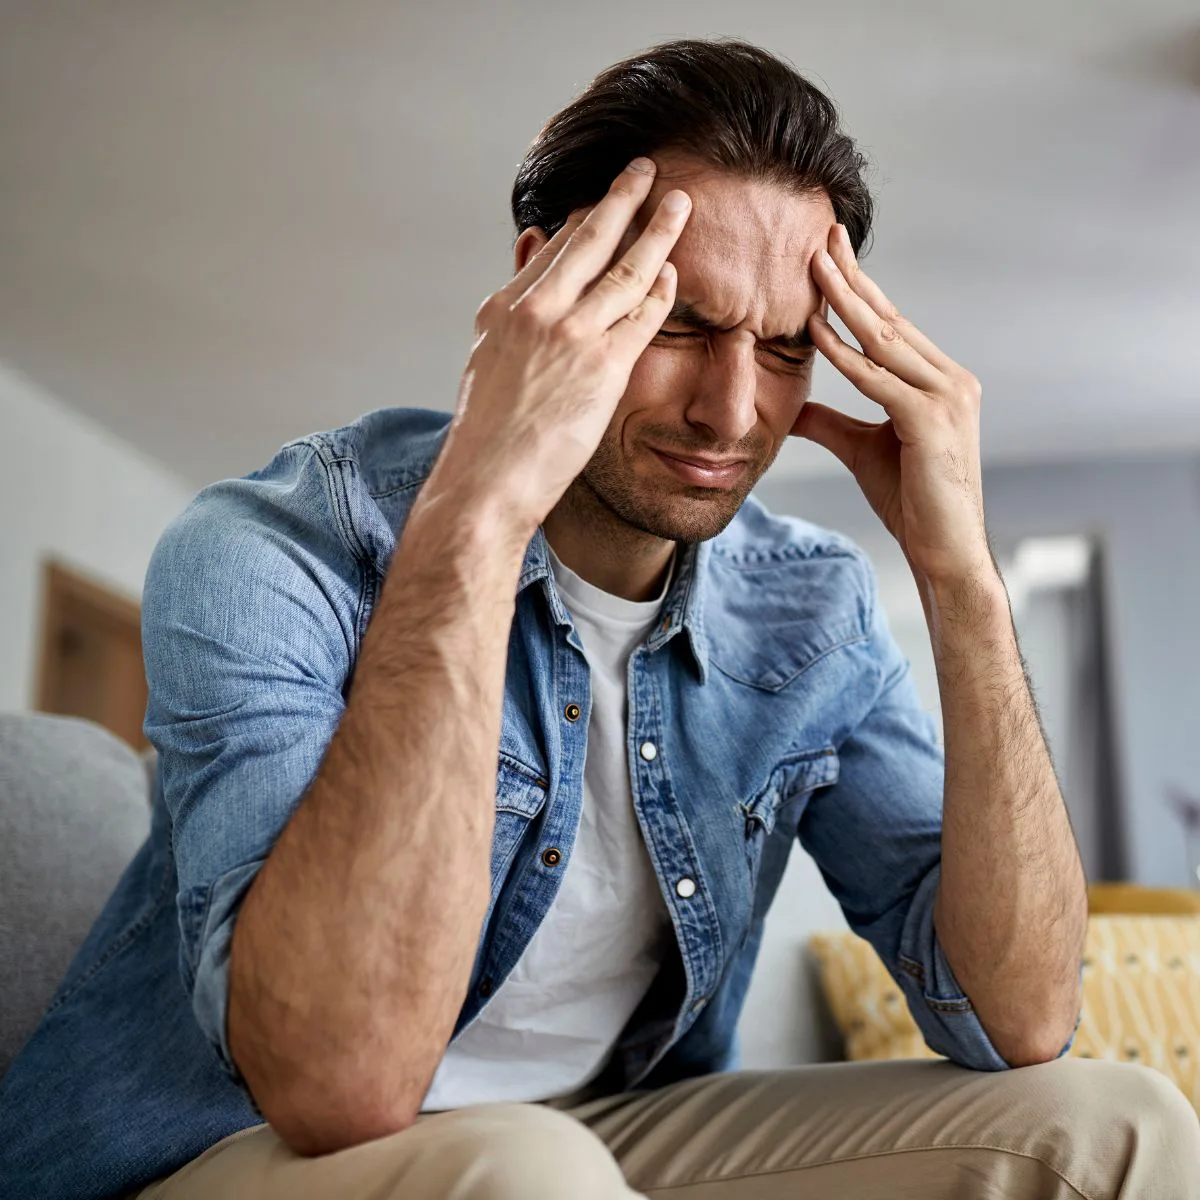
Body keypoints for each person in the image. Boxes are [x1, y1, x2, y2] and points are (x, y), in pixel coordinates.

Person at [1, 37, 1197, 1200]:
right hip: (226, 1146)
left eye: (783, 349)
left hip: (600, 1134)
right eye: (679, 323)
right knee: (528, 1169)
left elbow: (1018, 1020)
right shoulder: (273, 547)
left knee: (1115, 1123)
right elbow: (338, 1084)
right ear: (541, 288)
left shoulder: (811, 612)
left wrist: (962, 581)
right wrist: (477, 514)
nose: (733, 412)